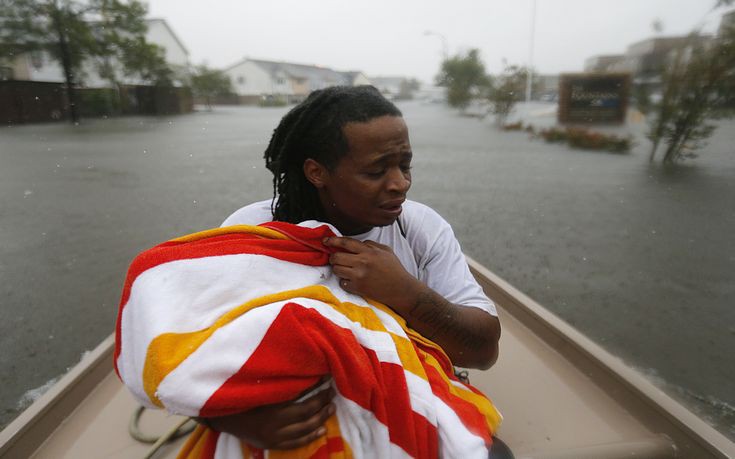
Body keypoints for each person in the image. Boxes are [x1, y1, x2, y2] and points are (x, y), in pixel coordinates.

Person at [205, 85, 504, 453]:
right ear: (317, 172)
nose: (400, 184)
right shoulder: (252, 233)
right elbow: (188, 349)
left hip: (405, 398)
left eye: (405, 164)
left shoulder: (421, 230)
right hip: (301, 426)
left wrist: (406, 294)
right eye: (377, 170)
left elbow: (484, 350)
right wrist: (233, 420)